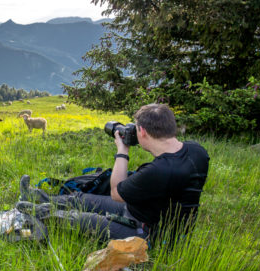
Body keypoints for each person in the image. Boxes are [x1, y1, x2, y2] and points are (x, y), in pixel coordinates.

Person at [17, 103, 210, 243]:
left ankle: (39, 214)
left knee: (77, 219)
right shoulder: (197, 151)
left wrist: (122, 151)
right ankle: (37, 196)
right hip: (143, 210)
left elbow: (116, 193)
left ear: (142, 131)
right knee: (81, 198)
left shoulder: (159, 170)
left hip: (147, 232)